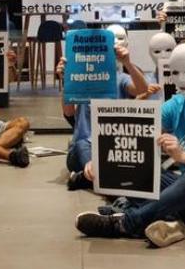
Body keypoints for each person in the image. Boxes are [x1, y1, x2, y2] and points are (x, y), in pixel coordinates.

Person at [75, 39, 185, 247]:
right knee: (139, 166)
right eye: (175, 72)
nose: (180, 79)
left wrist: (183, 156)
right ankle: (169, 222)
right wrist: (102, 160)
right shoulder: (177, 104)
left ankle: (127, 223)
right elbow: (138, 133)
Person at [58, 31, 149, 190]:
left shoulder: (119, 78)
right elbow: (69, 113)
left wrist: (127, 63)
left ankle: (88, 178)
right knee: (81, 145)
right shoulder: (81, 76)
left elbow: (142, 90)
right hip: (84, 148)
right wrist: (66, 80)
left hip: (114, 149)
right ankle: (102, 175)